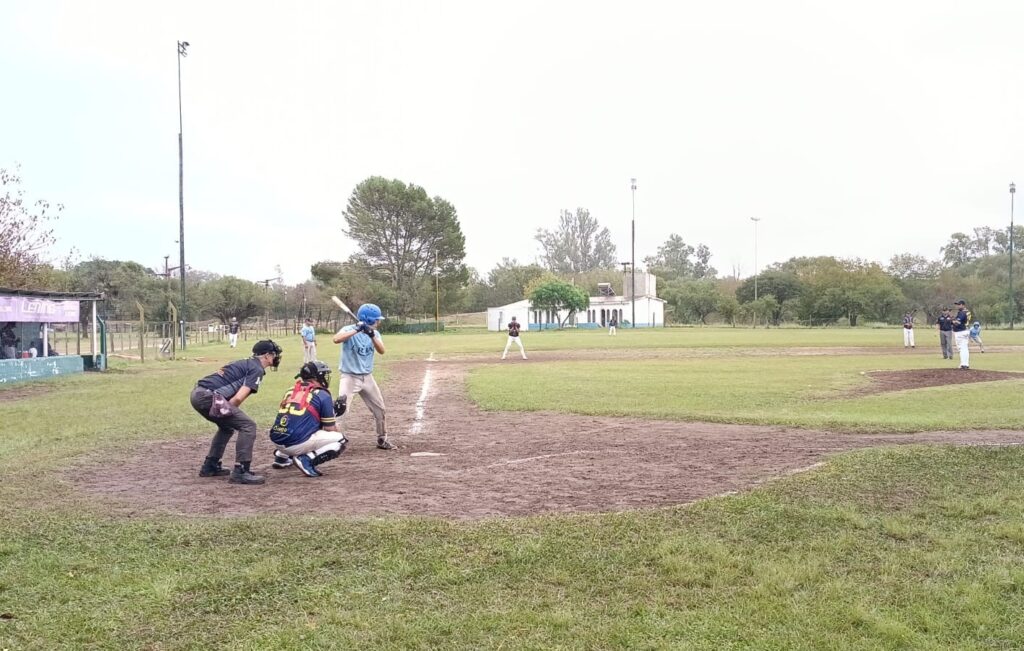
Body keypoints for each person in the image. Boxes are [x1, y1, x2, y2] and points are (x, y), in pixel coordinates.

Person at [190, 339, 282, 484]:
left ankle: (210, 466)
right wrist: (229, 410)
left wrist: (229, 412)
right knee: (248, 426)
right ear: (266, 355)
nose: (275, 357)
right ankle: (241, 471)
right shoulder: (257, 369)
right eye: (274, 354)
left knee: (227, 427)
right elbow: (238, 398)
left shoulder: (245, 362)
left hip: (198, 394)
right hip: (208, 397)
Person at [331, 303, 395, 450]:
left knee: (380, 409)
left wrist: (371, 335)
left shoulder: (375, 333)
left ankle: (382, 439)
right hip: (349, 377)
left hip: (367, 377)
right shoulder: (349, 330)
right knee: (341, 410)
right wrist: (357, 329)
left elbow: (382, 350)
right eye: (376, 320)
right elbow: (336, 339)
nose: (378, 322)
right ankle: (332, 440)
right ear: (369, 319)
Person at [268, 361, 348, 477]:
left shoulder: (292, 389)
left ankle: (281, 457)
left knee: (297, 427)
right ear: (317, 376)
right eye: (323, 375)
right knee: (340, 440)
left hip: (277, 440)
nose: (325, 378)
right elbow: (330, 428)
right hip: (295, 444)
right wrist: (333, 415)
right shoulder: (323, 394)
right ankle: (306, 460)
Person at [952, 299, 971, 369]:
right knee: (964, 348)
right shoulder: (967, 312)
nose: (958, 306)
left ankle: (964, 364)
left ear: (963, 305)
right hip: (965, 330)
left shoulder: (962, 312)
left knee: (961, 348)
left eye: (959, 305)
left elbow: (957, 322)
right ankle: (965, 363)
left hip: (961, 331)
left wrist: (952, 320)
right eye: (957, 305)